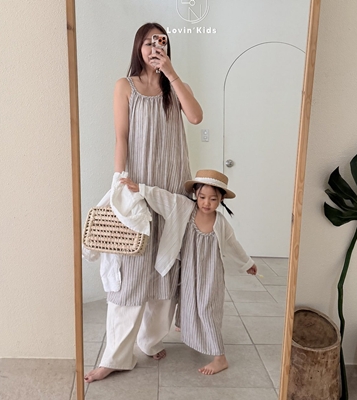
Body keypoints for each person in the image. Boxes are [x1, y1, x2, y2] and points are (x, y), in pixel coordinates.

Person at [84, 22, 203, 383]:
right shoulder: (125, 86)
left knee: (165, 270)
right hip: (137, 187)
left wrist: (171, 72)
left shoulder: (174, 87)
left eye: (161, 42)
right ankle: (115, 356)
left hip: (172, 188)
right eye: (150, 42)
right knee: (132, 273)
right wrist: (118, 181)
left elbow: (196, 116)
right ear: (139, 47)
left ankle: (149, 341)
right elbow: (121, 137)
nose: (155, 47)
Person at [121, 169, 258, 375]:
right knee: (187, 303)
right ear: (195, 194)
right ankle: (191, 332)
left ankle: (219, 357)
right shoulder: (184, 208)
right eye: (202, 197)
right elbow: (164, 198)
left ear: (221, 199)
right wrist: (141, 189)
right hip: (188, 272)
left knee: (207, 310)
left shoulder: (221, 223)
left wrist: (246, 262)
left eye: (213, 199)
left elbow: (232, 245)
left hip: (211, 275)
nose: (206, 203)